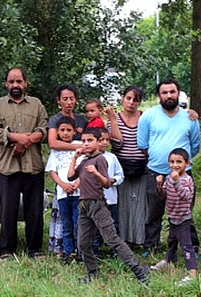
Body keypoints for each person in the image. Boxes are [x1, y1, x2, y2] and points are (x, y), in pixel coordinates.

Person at [68, 127, 150, 284]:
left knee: (112, 239)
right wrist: (74, 158)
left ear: (99, 142)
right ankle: (93, 272)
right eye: (84, 141)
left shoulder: (100, 160)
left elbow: (106, 183)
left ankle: (139, 269)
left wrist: (96, 173)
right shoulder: (85, 161)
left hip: (98, 204)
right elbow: (71, 176)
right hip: (84, 205)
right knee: (83, 243)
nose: (86, 144)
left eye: (90, 140)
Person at [0, 67, 48, 260]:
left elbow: (45, 129)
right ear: (6, 84)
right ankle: (6, 250)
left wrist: (27, 141)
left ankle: (35, 249)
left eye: (19, 81)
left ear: (25, 83)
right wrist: (19, 139)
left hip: (34, 166)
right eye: (11, 82)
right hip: (8, 167)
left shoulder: (36, 104)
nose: (15, 85)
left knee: (34, 210)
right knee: (8, 211)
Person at [137, 78, 201, 256]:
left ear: (178, 93)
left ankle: (191, 247)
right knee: (153, 212)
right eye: (164, 92)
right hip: (156, 172)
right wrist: (158, 158)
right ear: (159, 95)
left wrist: (181, 165)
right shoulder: (148, 116)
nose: (169, 95)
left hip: (183, 175)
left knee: (185, 212)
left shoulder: (190, 118)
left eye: (172, 92)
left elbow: (195, 146)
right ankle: (151, 246)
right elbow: (142, 144)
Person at [105, 86, 147, 246]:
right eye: (128, 98)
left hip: (142, 167)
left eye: (135, 99)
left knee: (140, 205)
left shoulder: (146, 118)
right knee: (121, 205)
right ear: (123, 98)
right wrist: (114, 120)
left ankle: (139, 240)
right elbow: (117, 142)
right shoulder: (113, 119)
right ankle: (121, 240)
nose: (131, 102)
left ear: (139, 102)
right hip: (121, 168)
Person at [150, 148, 198, 286]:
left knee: (186, 245)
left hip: (183, 218)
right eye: (172, 162)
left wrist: (177, 182)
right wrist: (159, 185)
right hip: (172, 216)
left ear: (187, 164)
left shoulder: (187, 180)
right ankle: (169, 261)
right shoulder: (169, 178)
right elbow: (162, 196)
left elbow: (186, 196)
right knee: (172, 241)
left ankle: (192, 273)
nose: (175, 165)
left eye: (179, 162)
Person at [45, 116, 82, 263]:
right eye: (62, 130)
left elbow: (85, 167)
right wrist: (63, 185)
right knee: (66, 224)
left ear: (74, 132)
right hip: (62, 194)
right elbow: (52, 172)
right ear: (58, 132)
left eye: (69, 130)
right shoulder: (56, 151)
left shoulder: (80, 146)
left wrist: (77, 184)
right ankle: (68, 253)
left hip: (79, 193)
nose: (66, 133)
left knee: (78, 223)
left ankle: (81, 252)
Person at [48, 84, 88, 151]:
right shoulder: (54, 120)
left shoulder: (82, 120)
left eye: (71, 99)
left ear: (76, 100)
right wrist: (80, 147)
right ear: (58, 100)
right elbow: (53, 143)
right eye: (65, 99)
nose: (69, 102)